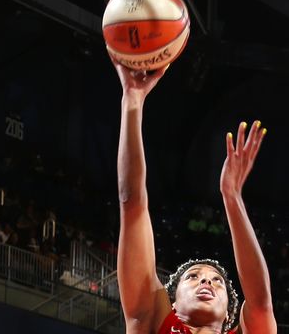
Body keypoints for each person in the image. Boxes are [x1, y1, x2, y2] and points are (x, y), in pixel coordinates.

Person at [111, 59, 276, 334]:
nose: (207, 282)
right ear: (173, 305)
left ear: (228, 317)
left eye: (217, 281)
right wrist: (132, 100)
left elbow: (260, 304)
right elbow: (132, 204)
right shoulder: (151, 321)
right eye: (194, 277)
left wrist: (232, 196)